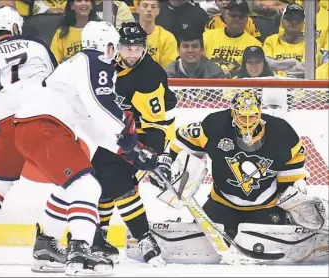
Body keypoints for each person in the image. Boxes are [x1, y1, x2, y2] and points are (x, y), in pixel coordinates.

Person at [16, 20, 157, 275]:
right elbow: (100, 103)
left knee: (71, 187)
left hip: (33, 128)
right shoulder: (96, 60)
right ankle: (80, 251)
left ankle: (46, 247)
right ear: (109, 44)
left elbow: (88, 122)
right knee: (88, 185)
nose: (115, 53)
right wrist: (127, 134)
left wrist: (126, 151)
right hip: (44, 127)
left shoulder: (77, 65)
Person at [165, 90, 328, 262]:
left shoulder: (281, 132)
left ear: (260, 112)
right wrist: (168, 164)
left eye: (252, 116)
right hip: (222, 202)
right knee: (201, 245)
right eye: (243, 117)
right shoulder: (215, 125)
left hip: (265, 207)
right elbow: (184, 140)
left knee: (271, 253)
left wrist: (293, 195)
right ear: (233, 112)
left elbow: (293, 166)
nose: (248, 122)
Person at [92, 21, 178, 266]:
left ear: (145, 48)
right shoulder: (106, 63)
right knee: (104, 183)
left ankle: (125, 236)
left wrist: (154, 152)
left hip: (138, 136)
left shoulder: (149, 76)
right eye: (127, 48)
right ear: (118, 47)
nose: (131, 53)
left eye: (136, 48)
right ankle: (104, 237)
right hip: (104, 133)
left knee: (117, 182)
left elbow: (156, 123)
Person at [0, 5, 57, 255]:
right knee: (77, 179)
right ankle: (55, 240)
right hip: (41, 120)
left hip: (8, 125)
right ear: (15, 28)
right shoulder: (35, 44)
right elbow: (56, 81)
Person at [203, 0, 262, 77]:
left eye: (241, 16)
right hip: (208, 83)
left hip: (238, 86)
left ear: (247, 19)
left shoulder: (254, 44)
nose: (237, 19)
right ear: (224, 16)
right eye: (233, 15)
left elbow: (253, 71)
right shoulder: (207, 37)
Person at [263, 4, 306, 78]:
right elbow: (265, 64)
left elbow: (306, 68)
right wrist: (293, 62)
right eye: (290, 18)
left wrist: (281, 72)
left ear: (303, 23)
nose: (294, 22)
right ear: (282, 20)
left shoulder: (310, 44)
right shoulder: (271, 40)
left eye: (298, 19)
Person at [136, 0, 178, 68]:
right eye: (145, 6)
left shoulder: (168, 38)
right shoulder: (126, 36)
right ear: (137, 9)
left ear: (158, 11)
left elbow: (168, 70)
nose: (149, 9)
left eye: (153, 7)